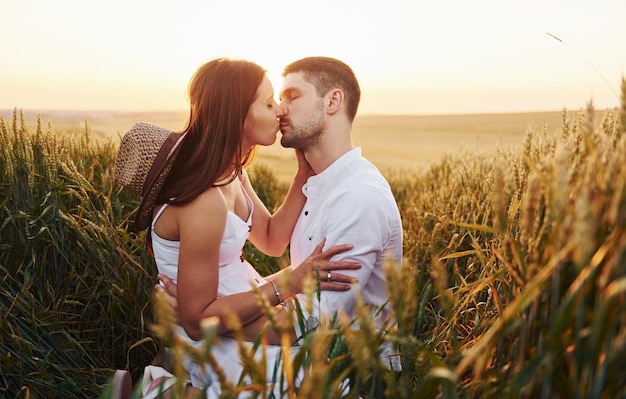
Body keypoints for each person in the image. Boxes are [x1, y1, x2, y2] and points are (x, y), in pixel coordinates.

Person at [113, 58, 361, 398]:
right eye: (268, 102)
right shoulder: (205, 203)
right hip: (215, 331)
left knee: (331, 373)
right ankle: (163, 390)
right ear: (240, 116)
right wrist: (289, 282)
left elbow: (272, 240)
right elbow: (198, 320)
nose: (279, 111)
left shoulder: (234, 174)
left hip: (242, 309)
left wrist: (303, 175)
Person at [161, 56, 404, 397]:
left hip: (351, 364)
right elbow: (276, 246)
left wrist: (200, 323)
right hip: (292, 335)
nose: (280, 110)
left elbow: (311, 326)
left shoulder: (357, 199)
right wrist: (200, 320)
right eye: (273, 101)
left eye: (291, 96)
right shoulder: (318, 183)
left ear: (332, 101)